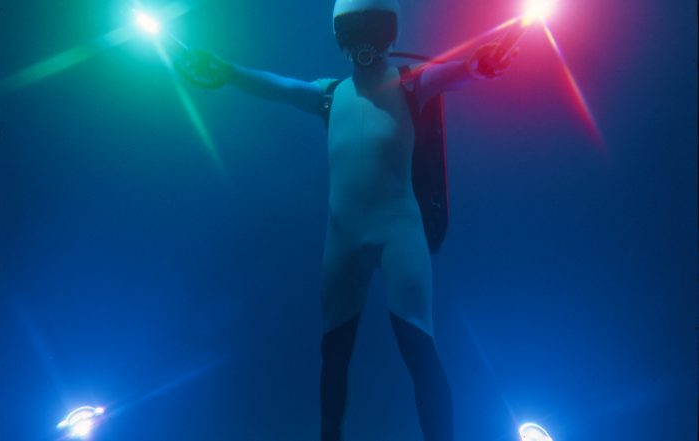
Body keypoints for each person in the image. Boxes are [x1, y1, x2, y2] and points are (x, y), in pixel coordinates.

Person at [172, 1, 514, 439]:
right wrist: (226, 71)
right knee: (338, 353)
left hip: (394, 233)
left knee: (413, 348)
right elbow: (279, 87)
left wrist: (480, 64)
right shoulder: (331, 94)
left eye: (373, 31)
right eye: (358, 32)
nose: (366, 44)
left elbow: (455, 72)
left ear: (387, 35)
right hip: (350, 237)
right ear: (345, 39)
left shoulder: (405, 84)